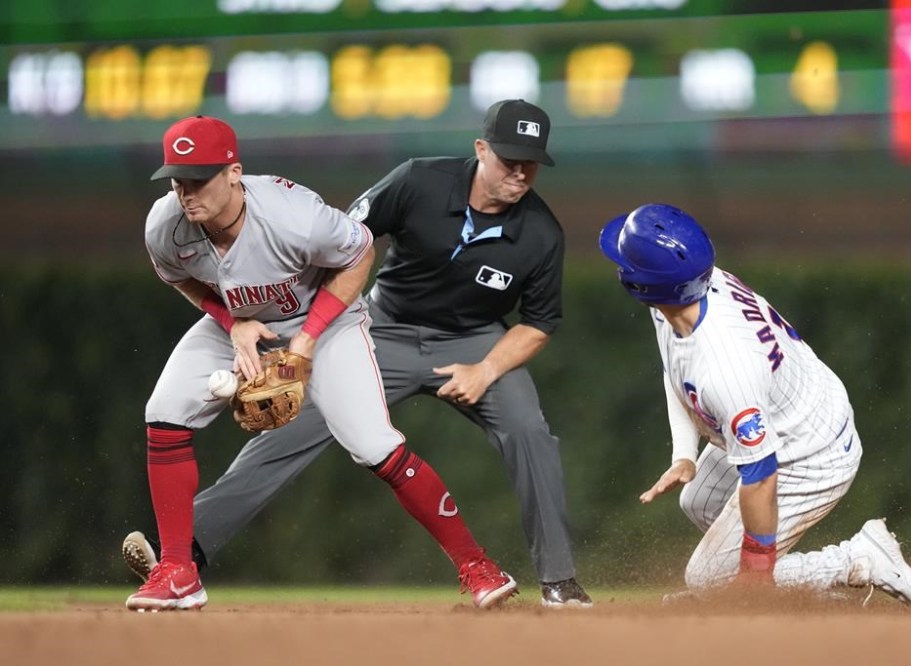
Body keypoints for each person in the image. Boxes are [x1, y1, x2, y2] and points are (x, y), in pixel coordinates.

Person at [124, 100, 591, 608]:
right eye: (509, 157)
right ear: (482, 150)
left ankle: (557, 581)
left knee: (527, 431)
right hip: (387, 323)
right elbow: (352, 237)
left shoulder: (541, 233)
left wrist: (487, 368)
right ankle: (186, 553)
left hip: (475, 342)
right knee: (289, 426)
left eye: (531, 162)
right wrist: (271, 328)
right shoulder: (419, 182)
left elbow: (539, 324)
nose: (520, 171)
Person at [597, 202, 911, 605]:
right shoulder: (685, 291)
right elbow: (677, 371)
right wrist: (684, 453)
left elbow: (762, 476)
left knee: (709, 579)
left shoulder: (724, 367)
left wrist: (754, 580)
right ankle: (799, 595)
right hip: (785, 409)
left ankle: (854, 559)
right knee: (698, 500)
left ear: (642, 285)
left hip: (809, 452)